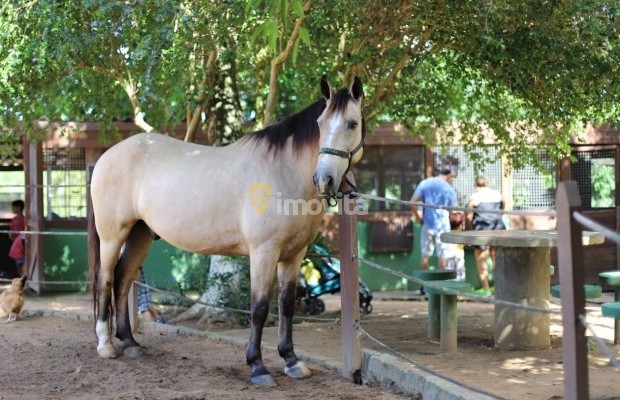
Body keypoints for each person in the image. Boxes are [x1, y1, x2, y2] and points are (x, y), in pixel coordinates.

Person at [410, 167, 458, 293]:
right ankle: (439, 287)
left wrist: (418, 218)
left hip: (428, 224)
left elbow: (413, 202)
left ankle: (424, 287)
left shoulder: (425, 183)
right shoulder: (449, 189)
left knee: (425, 256)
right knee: (443, 256)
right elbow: (453, 212)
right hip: (443, 226)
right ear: (449, 176)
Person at [466, 176, 506, 295]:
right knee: (497, 258)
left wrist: (469, 228)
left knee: (481, 259)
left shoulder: (475, 197)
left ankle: (485, 289)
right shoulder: (497, 194)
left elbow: (469, 215)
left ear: (476, 185)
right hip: (497, 228)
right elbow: (503, 208)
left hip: (481, 229)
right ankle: (500, 288)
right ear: (487, 184)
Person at [444, 211, 466, 282]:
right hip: (449, 256)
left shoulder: (461, 232)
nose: (455, 216)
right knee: (449, 276)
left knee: (459, 277)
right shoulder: (447, 231)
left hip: (458, 256)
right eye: (454, 215)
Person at [8, 200, 26, 277]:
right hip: (16, 244)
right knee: (19, 263)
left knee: (22, 263)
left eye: (13, 207)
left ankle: (22, 279)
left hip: (22, 244)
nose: (12, 209)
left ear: (19, 208)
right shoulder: (14, 219)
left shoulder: (24, 219)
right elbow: (11, 231)